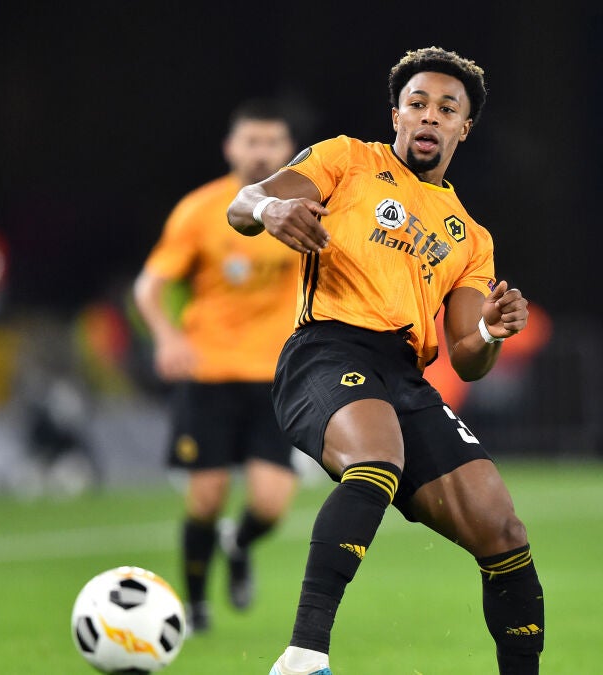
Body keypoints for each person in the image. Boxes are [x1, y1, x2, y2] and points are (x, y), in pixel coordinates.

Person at [227, 47, 544, 675]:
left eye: (446, 108)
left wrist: (491, 329)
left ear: (463, 128)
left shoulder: (469, 236)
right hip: (326, 350)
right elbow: (245, 203)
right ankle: (303, 656)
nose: (429, 116)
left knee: (503, 531)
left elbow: (468, 359)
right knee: (376, 459)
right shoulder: (346, 159)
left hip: (403, 375)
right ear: (396, 115)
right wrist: (271, 209)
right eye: (417, 103)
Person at [133, 99, 301, 634]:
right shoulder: (200, 210)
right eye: (251, 141)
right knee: (205, 497)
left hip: (276, 376)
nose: (261, 152)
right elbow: (149, 287)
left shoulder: (304, 207)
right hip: (208, 375)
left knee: (270, 505)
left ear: (289, 148)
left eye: (272, 142)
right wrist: (167, 338)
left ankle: (239, 542)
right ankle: (197, 608)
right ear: (231, 147)